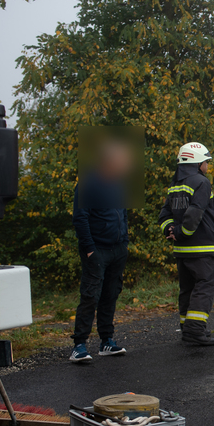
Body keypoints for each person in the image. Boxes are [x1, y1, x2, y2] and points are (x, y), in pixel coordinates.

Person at [70, 139, 131, 363]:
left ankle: (107, 341)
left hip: (117, 249)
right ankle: (79, 345)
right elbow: (80, 218)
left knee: (110, 294)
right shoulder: (88, 183)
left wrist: (125, 241)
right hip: (96, 250)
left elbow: (123, 214)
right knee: (90, 295)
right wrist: (89, 250)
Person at [158, 142, 214, 346]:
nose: (207, 166)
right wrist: (181, 233)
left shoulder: (175, 184)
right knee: (205, 287)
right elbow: (195, 213)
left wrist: (170, 232)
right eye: (205, 162)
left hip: (183, 251)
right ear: (197, 163)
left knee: (187, 289)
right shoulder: (201, 182)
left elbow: (164, 215)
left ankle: (188, 329)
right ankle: (195, 331)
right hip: (202, 247)